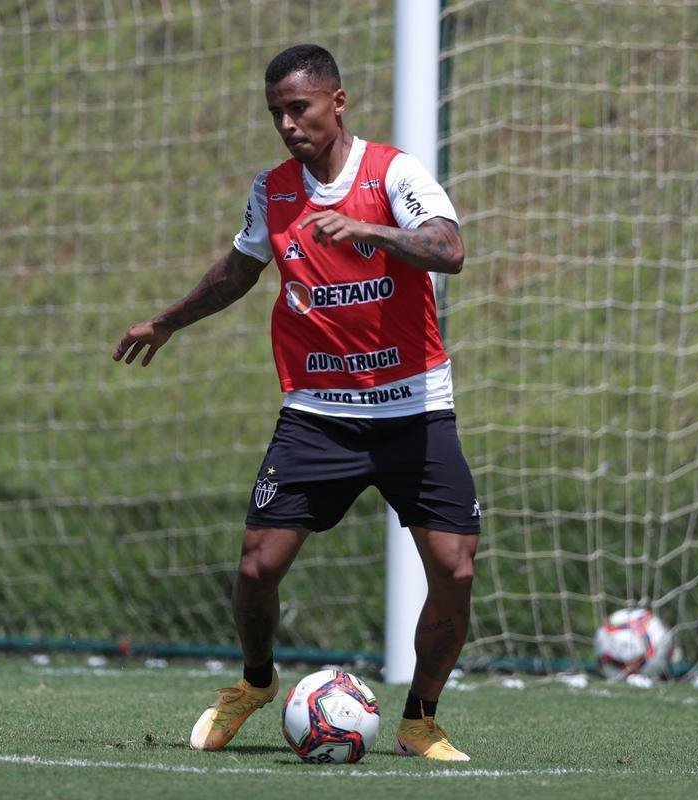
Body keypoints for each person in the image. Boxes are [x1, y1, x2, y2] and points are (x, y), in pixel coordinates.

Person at [112, 44, 479, 762]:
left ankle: (421, 720)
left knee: (456, 569)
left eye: (299, 108)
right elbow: (240, 270)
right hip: (318, 413)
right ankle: (253, 684)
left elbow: (450, 248)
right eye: (276, 111)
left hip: (414, 408)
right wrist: (167, 322)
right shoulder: (273, 191)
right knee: (256, 568)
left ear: (337, 103)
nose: (287, 123)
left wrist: (373, 230)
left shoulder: (393, 172)